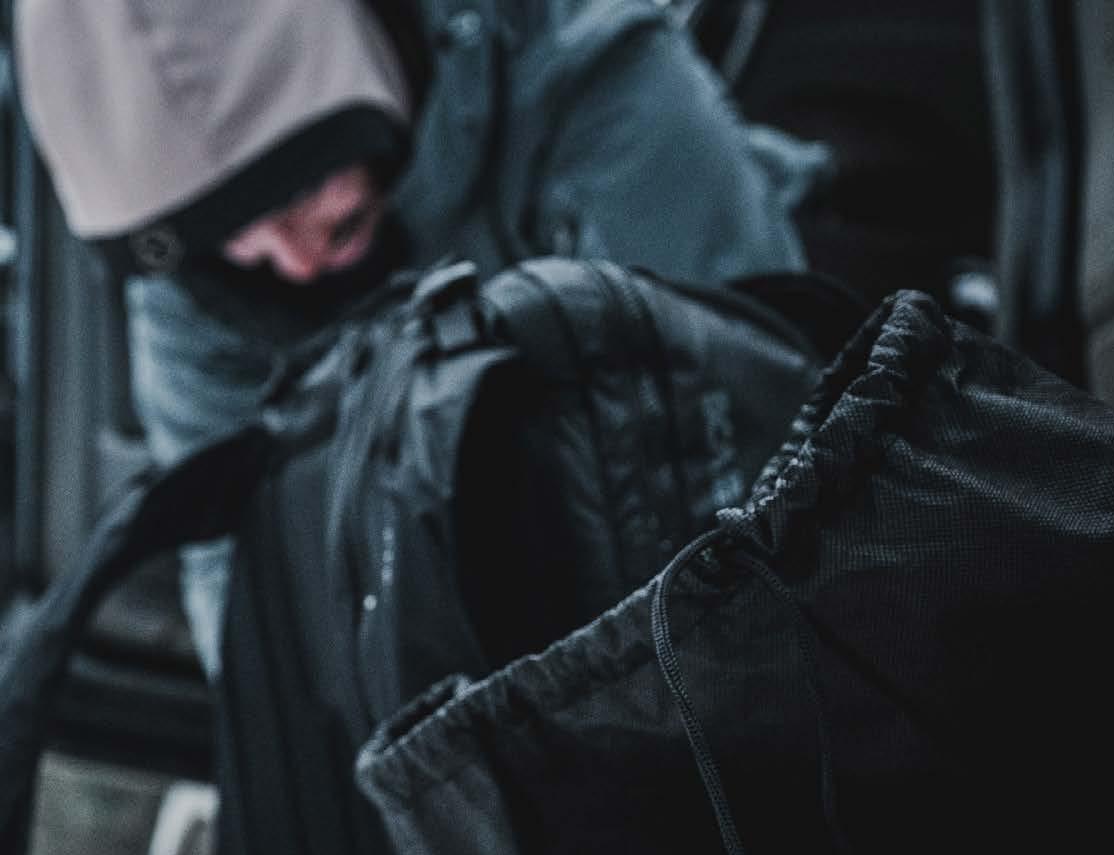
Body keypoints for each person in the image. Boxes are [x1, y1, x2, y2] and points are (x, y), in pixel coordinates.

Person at [14, 0, 828, 671]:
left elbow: (751, 414)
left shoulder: (593, 77)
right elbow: (235, 574)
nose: (296, 262)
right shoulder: (200, 289)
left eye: (304, 201)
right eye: (246, 242)